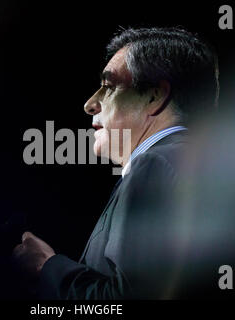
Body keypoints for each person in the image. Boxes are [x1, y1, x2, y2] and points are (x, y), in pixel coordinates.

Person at [12, 27, 219, 299]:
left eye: (109, 86)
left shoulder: (155, 163)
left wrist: (45, 267)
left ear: (154, 96)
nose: (89, 104)